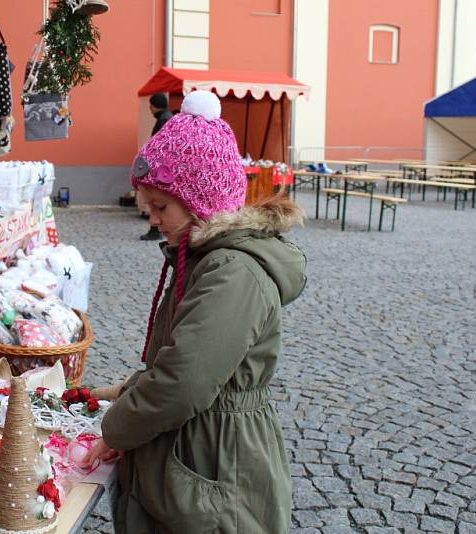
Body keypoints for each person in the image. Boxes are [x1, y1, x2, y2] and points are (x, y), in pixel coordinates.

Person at [81, 91, 307, 533]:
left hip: (218, 462)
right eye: (148, 207)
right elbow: (178, 354)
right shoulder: (203, 258)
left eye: (161, 206)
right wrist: (125, 389)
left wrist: (115, 429)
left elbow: (185, 379)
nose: (152, 219)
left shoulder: (232, 271)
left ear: (201, 199)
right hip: (198, 449)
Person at [140, 93, 174, 240]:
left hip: (161, 169)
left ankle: (156, 230)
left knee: (156, 201)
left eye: (150, 105)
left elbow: (159, 146)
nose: (149, 108)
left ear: (154, 106)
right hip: (166, 169)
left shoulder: (163, 119)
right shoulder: (169, 117)